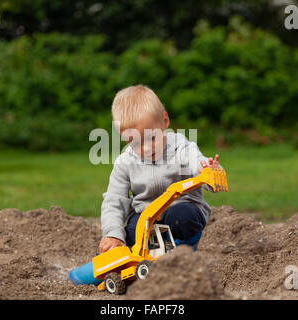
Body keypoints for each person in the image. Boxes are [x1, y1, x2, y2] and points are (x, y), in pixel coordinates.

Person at [69, 84, 222, 286]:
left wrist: (208, 170)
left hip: (181, 210)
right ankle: (127, 261)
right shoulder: (125, 162)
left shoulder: (182, 147)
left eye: (151, 138)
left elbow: (198, 165)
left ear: (165, 121)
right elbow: (115, 201)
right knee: (132, 229)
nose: (145, 148)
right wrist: (113, 235)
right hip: (147, 220)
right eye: (134, 143)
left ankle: (182, 254)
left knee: (182, 216)